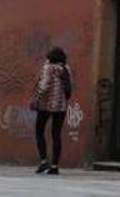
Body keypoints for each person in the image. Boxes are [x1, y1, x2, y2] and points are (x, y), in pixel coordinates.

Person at [30, 46, 72, 175]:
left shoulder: (48, 68)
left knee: (39, 131)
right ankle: (55, 166)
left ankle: (44, 161)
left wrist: (35, 99)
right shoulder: (66, 69)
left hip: (46, 105)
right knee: (56, 134)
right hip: (61, 106)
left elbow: (44, 85)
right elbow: (70, 86)